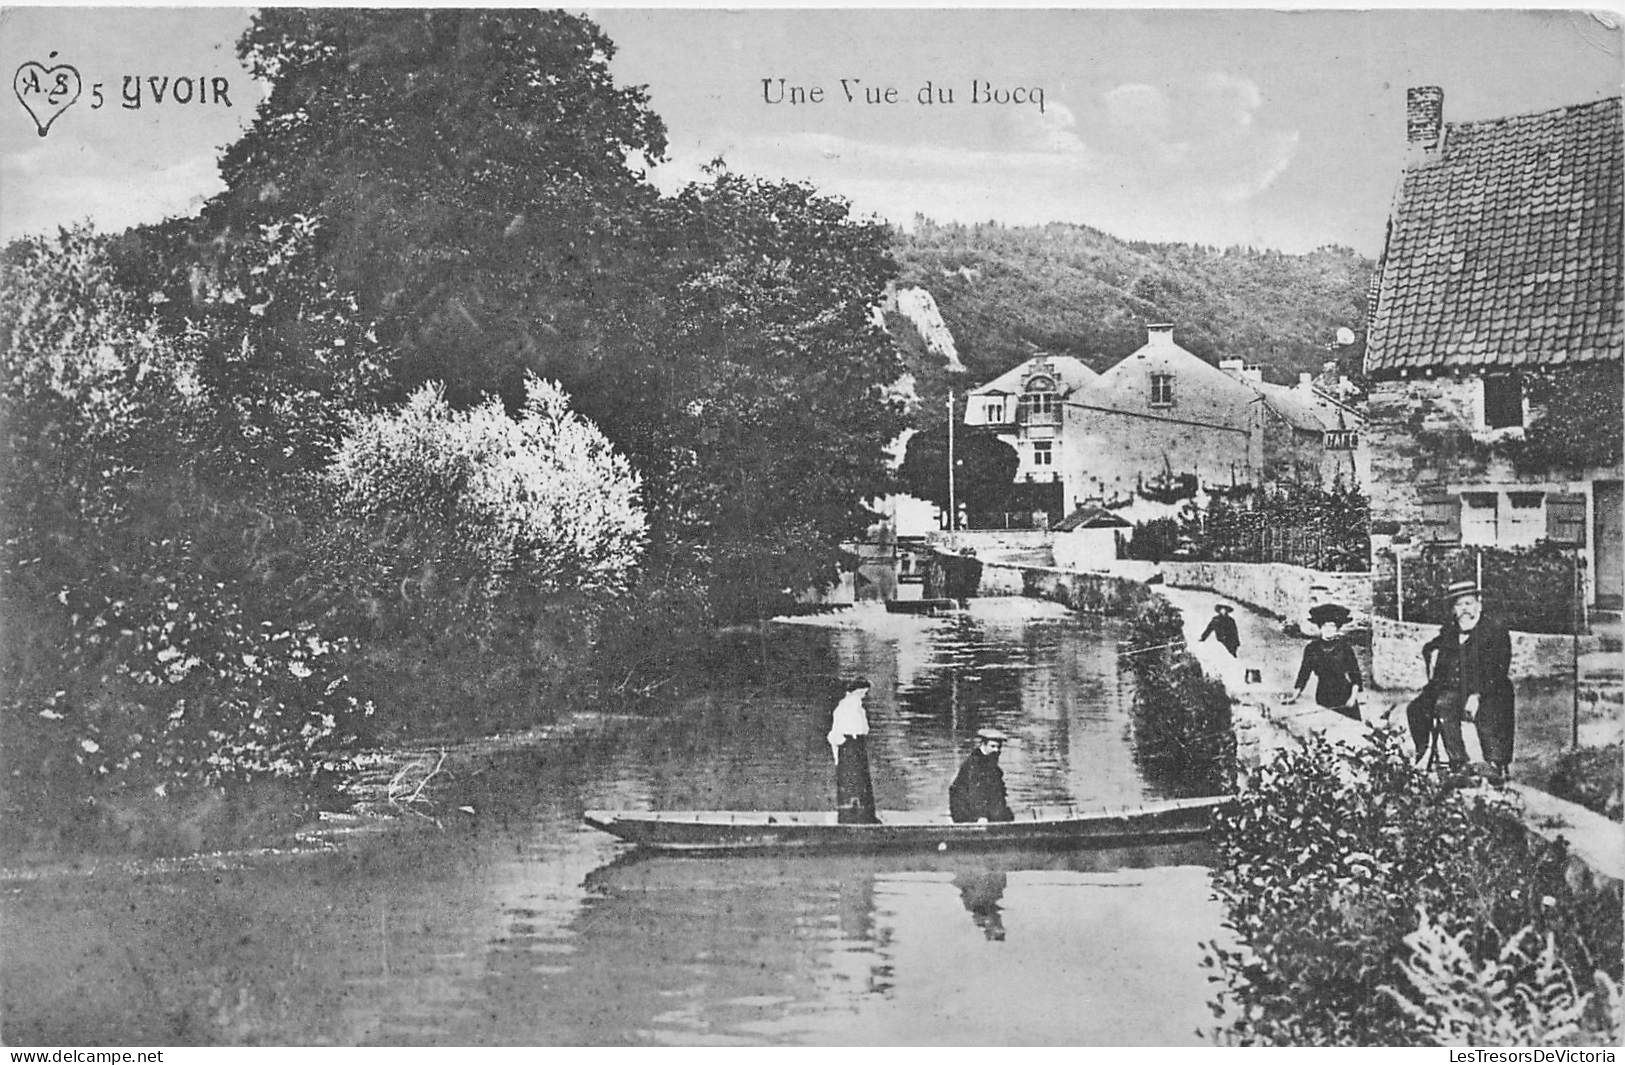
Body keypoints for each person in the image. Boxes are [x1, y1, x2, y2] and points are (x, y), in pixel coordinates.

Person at [1427, 581, 1516, 782]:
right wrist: (1432, 656)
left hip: (1491, 688)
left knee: (1489, 710)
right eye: (1459, 605)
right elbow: (1438, 655)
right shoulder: (1450, 630)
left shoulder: (1495, 630)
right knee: (1443, 704)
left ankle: (1494, 763)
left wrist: (1476, 695)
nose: (1464, 609)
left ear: (1478, 605)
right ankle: (1458, 762)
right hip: (1458, 689)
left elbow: (1499, 668)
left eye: (1468, 603)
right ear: (1453, 609)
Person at [1282, 603, 1363, 719]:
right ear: (1320, 627)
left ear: (1337, 628)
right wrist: (1294, 696)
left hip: (1344, 694)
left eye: (1332, 626)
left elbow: (1356, 677)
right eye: (1325, 626)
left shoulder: (1345, 648)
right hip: (1323, 695)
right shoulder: (1312, 648)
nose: (1329, 630)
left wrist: (1352, 698)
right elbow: (1303, 674)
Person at [828, 677, 879, 824]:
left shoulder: (858, 708)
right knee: (851, 780)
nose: (864, 695)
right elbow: (836, 731)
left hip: (857, 746)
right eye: (863, 692)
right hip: (849, 747)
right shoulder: (844, 707)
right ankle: (851, 816)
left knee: (861, 780)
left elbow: (864, 728)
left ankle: (865, 815)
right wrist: (843, 744)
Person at [949, 727, 1014, 823]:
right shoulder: (974, 764)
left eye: (999, 747)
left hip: (983, 810)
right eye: (992, 746)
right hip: (967, 814)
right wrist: (981, 816)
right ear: (983, 745)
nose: (996, 750)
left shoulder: (990, 763)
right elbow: (975, 792)